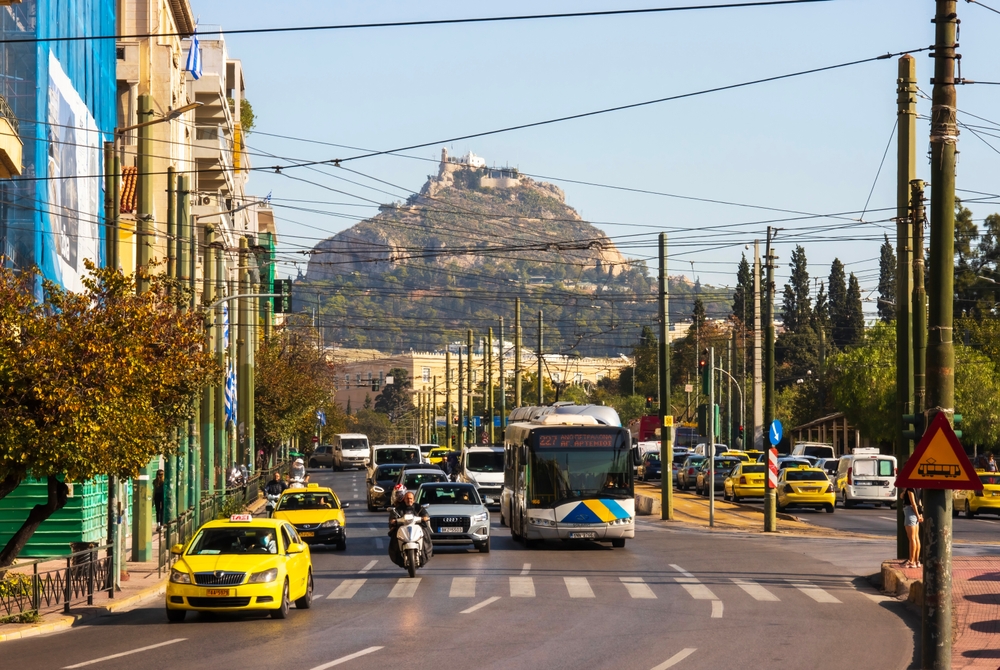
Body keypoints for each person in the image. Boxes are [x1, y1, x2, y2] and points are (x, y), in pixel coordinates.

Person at [387, 489, 432, 568]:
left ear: (413, 499)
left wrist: (424, 518)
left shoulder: (418, 507)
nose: (409, 500)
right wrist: (393, 520)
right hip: (402, 527)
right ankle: (398, 555)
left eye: (411, 498)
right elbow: (393, 516)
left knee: (425, 534)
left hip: (417, 526)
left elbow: (425, 515)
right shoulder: (399, 508)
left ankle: (425, 554)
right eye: (407, 498)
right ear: (404, 499)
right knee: (394, 536)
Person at [901, 487, 923, 568]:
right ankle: (917, 561)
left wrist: (917, 516)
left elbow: (913, 503)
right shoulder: (918, 488)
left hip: (910, 512)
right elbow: (919, 502)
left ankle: (911, 561)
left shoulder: (910, 489)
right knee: (916, 538)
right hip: (916, 512)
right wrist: (920, 514)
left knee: (912, 538)